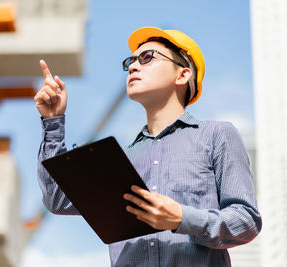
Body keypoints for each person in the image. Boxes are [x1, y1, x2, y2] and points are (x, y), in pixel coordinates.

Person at [34, 26, 262, 267]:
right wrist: (52, 121)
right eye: (130, 62)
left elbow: (245, 221)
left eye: (147, 58)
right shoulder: (119, 160)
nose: (132, 66)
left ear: (182, 75)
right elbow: (57, 200)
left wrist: (182, 218)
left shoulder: (217, 136)